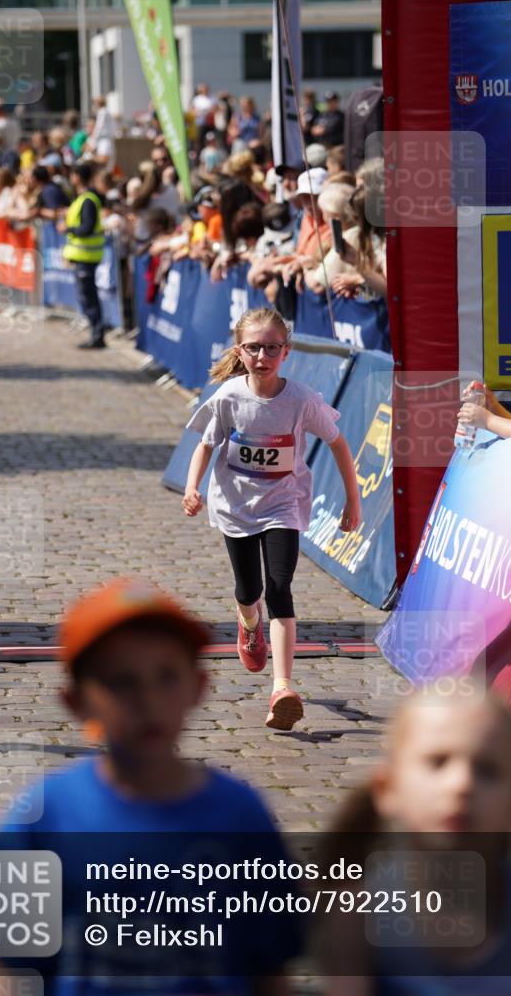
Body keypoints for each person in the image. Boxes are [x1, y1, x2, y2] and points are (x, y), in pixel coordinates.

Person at [0, 576, 300, 995]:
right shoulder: (42, 819)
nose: (148, 700)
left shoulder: (241, 815)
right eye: (121, 682)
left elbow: (271, 972)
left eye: (167, 676)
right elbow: (8, 973)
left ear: (198, 688)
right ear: (76, 702)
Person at [182, 307, 361, 731]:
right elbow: (205, 446)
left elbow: (338, 444)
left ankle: (282, 686)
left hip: (284, 505)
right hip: (236, 507)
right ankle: (249, 624)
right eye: (253, 347)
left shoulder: (300, 399)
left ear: (287, 351)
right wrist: (193, 487)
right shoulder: (228, 398)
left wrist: (352, 500)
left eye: (272, 348)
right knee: (249, 589)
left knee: (279, 585)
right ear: (239, 350)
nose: (263, 356)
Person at [319, 686, 511, 993]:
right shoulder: (355, 918)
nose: (461, 785)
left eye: (487, 770)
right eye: (437, 762)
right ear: (388, 789)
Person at [58, 162, 107, 349]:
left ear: (77, 177)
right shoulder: (82, 199)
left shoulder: (88, 200)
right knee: (86, 297)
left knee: (89, 297)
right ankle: (95, 334)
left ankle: (97, 336)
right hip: (82, 256)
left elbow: (86, 228)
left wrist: (67, 228)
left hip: (87, 256)